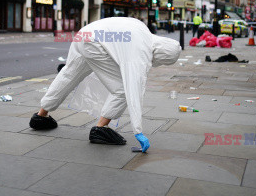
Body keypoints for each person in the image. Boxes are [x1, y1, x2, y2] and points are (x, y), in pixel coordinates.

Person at [29, 17, 181, 153]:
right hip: (94, 44)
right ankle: (100, 129)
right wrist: (138, 131)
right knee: (122, 90)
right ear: (162, 54)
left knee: (69, 74)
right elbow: (134, 89)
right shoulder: (141, 51)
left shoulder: (142, 29)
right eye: (161, 61)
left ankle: (40, 116)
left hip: (85, 34)